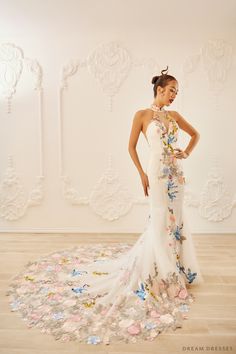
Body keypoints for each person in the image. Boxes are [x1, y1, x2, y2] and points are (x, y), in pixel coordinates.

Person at [7, 67, 204, 346]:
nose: (174, 96)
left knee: (177, 222)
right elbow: (131, 147)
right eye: (172, 90)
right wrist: (142, 174)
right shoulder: (142, 115)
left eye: (177, 92)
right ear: (159, 89)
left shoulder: (174, 117)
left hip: (176, 175)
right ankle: (162, 274)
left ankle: (176, 268)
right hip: (157, 173)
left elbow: (196, 135)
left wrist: (185, 153)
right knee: (159, 220)